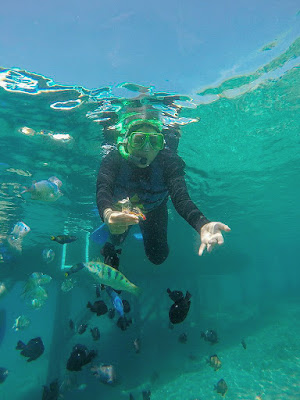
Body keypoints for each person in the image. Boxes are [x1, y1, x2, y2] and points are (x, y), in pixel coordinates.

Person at [96, 118, 230, 265]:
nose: (147, 148)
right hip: (122, 210)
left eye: (154, 141)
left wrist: (202, 224)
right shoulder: (114, 159)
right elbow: (104, 189)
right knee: (116, 239)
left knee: (158, 257)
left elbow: (182, 198)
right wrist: (108, 214)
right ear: (127, 142)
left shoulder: (169, 161)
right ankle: (111, 246)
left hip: (155, 210)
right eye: (139, 139)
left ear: (162, 144)